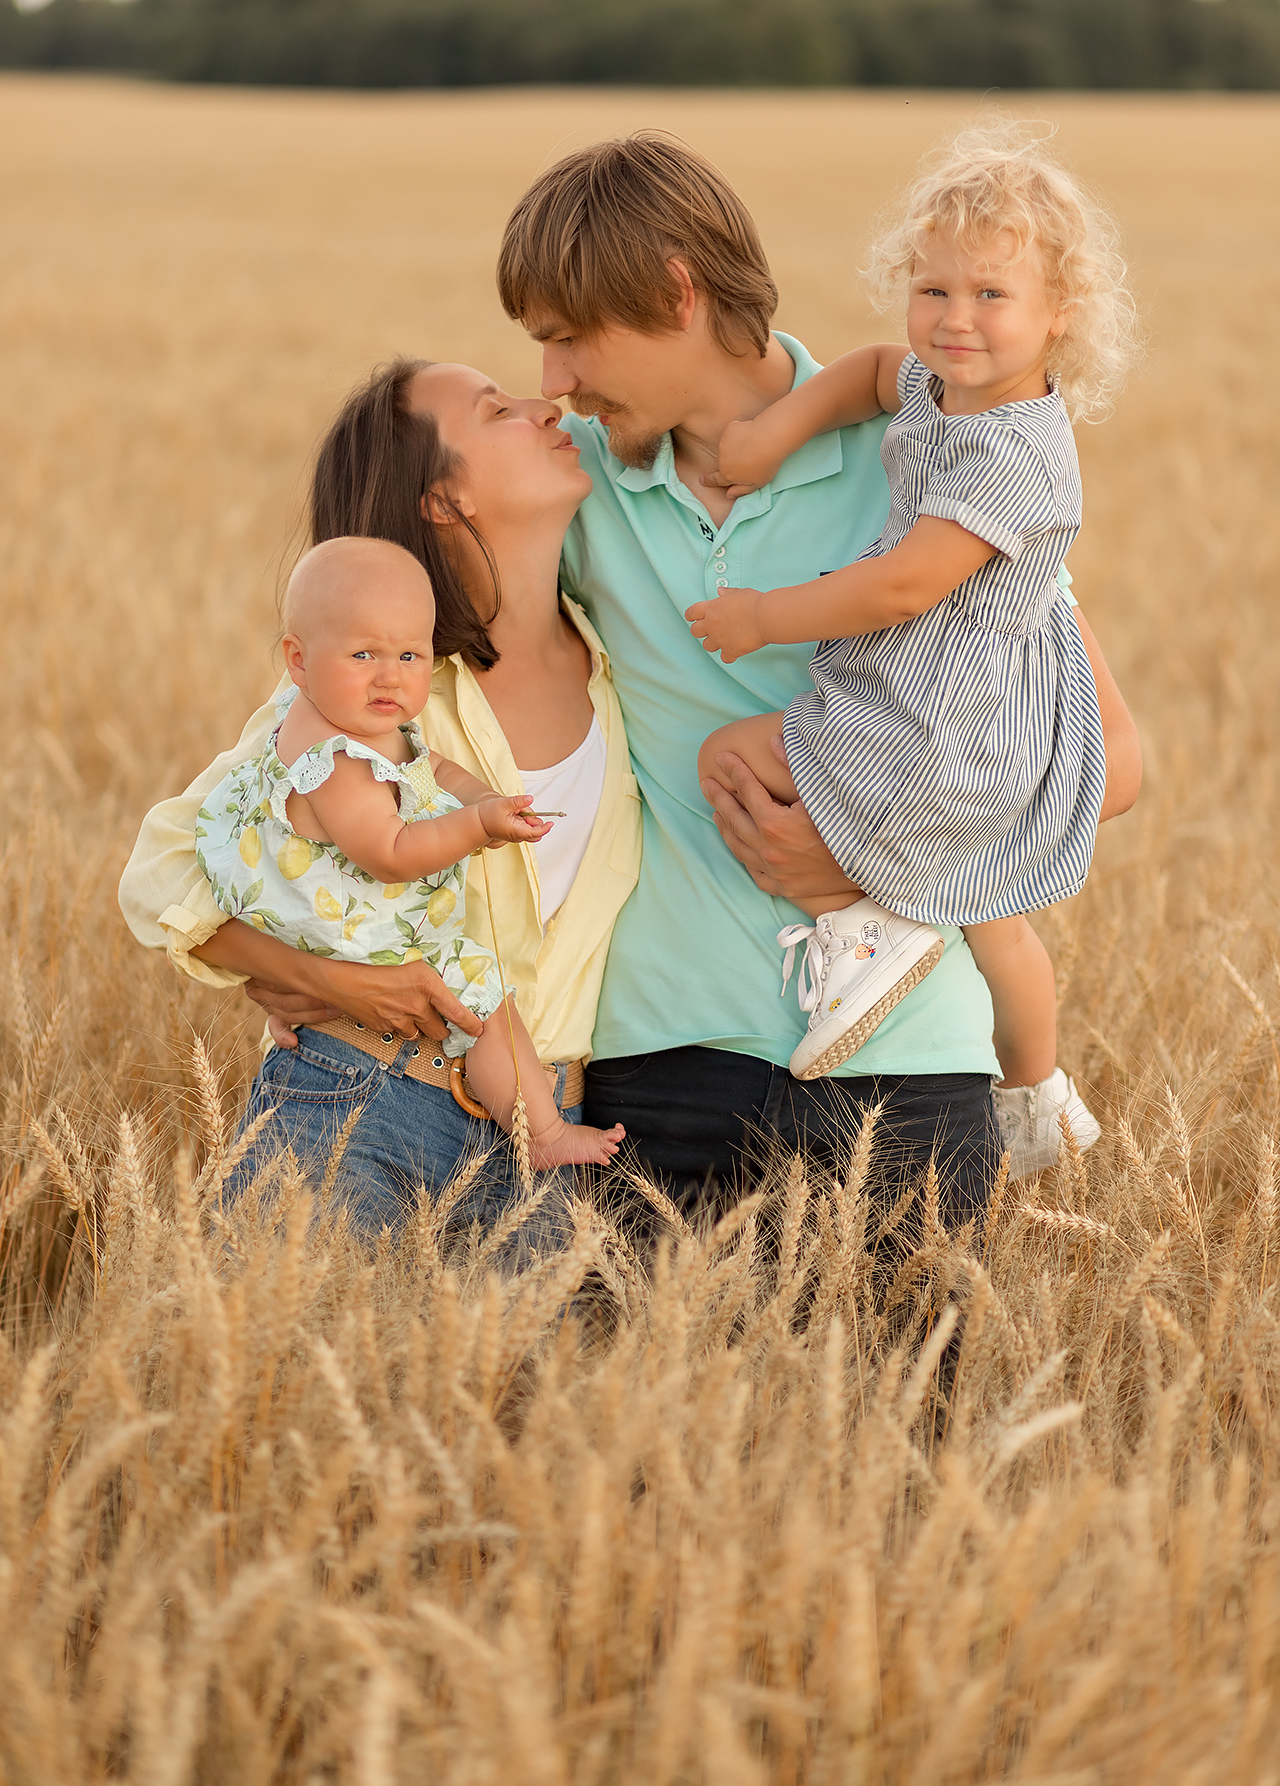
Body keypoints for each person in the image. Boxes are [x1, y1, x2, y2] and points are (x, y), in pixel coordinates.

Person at [496, 129, 1141, 1209]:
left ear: (676, 291)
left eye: (571, 340)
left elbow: (1108, 765)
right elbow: (389, 677)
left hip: (915, 1063)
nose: (552, 382)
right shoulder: (573, 488)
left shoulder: (933, 457)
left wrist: (867, 859)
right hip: (660, 1054)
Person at [685, 125, 1136, 1166]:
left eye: (989, 296)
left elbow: (900, 586)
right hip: (979, 704)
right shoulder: (952, 385)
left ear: (1058, 317)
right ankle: (1035, 1096)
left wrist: (761, 617)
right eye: (931, 291)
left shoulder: (1012, 457)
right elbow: (874, 371)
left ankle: (862, 922)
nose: (953, 320)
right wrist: (778, 428)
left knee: (730, 757)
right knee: (997, 918)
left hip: (945, 718)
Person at [119, 358, 641, 1232]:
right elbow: (160, 869)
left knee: (517, 1377)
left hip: (551, 1131)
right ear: (443, 498)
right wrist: (316, 977)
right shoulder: (379, 697)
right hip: (358, 1092)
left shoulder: (625, 671)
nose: (542, 402)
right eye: (497, 409)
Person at [197, 534, 624, 1171]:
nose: (390, 675)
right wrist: (478, 826)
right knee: (477, 989)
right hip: (360, 939)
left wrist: (489, 799)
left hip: (338, 934)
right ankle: (543, 1132)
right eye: (363, 653)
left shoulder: (369, 724)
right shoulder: (333, 756)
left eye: (409, 654)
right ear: (298, 659)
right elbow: (390, 852)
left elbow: (433, 771)